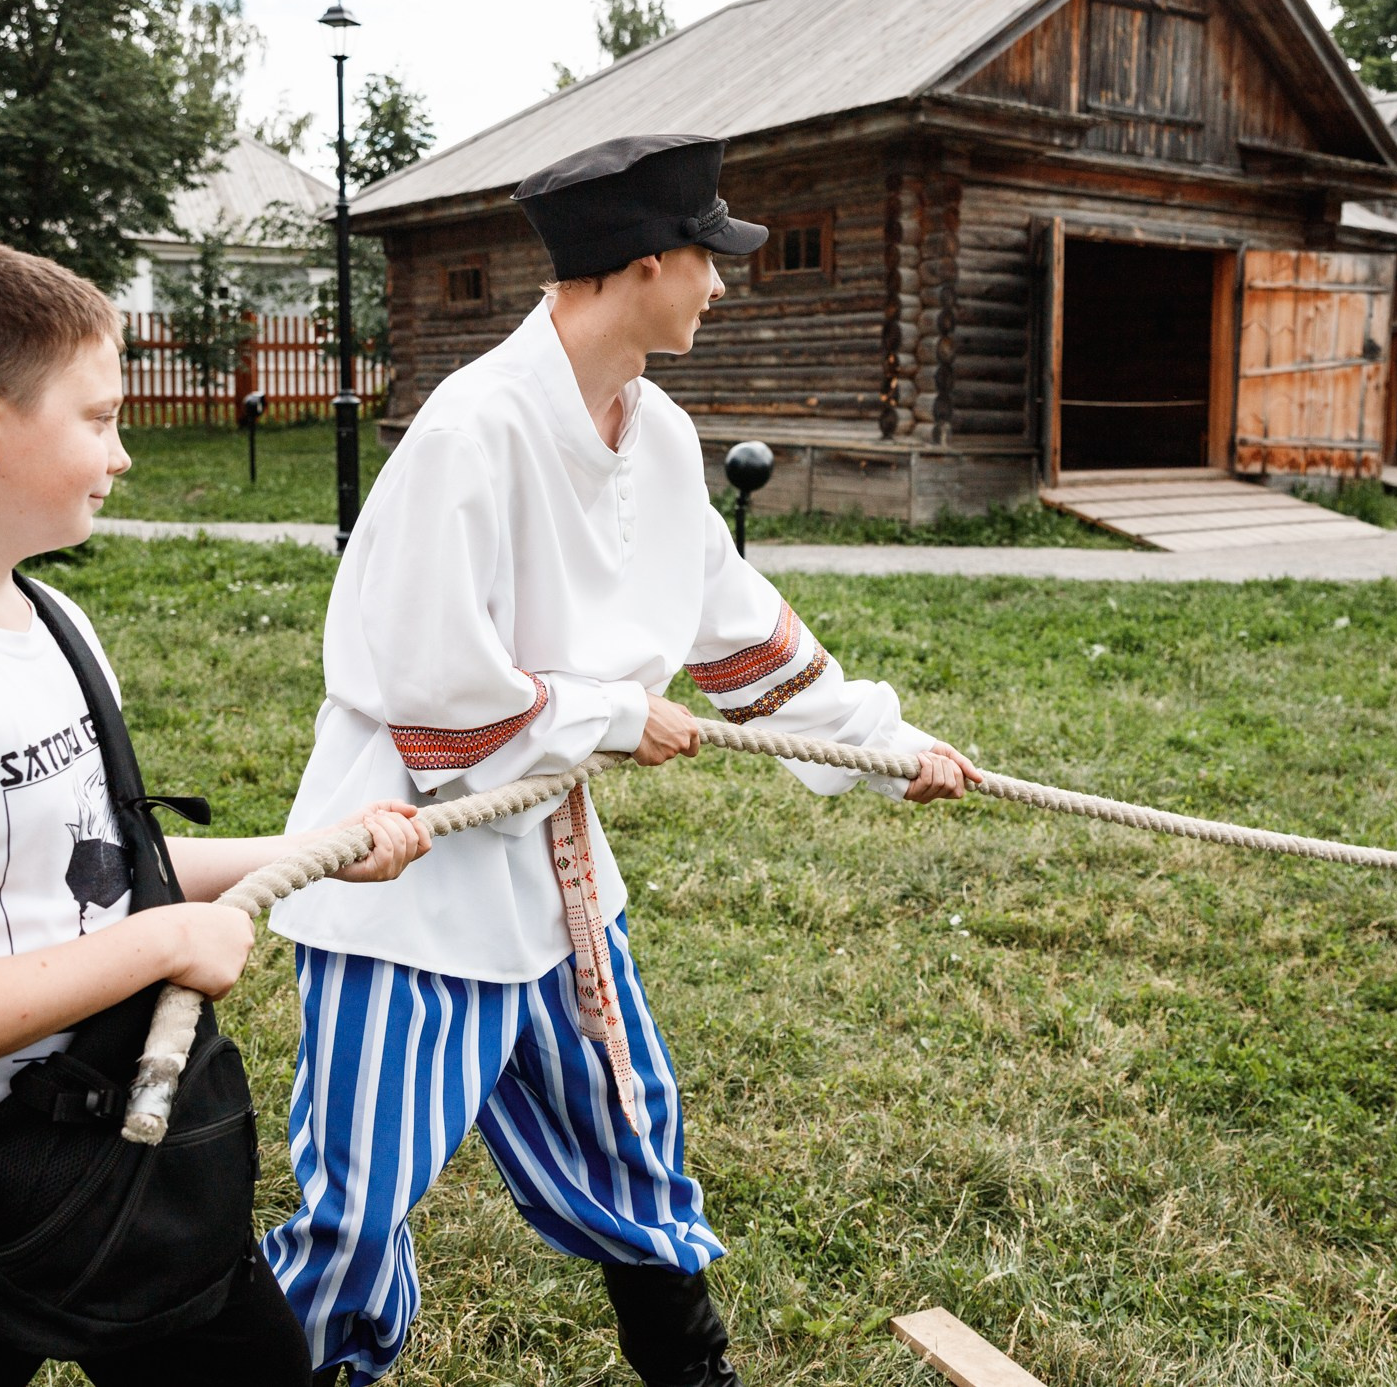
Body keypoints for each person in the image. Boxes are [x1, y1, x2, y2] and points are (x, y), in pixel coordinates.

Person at [262, 134, 982, 1387]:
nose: (721, 285)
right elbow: (425, 676)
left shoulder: (655, 433)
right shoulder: (472, 428)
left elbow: (739, 627)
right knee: (354, 1214)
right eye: (708, 259)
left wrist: (887, 745)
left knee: (632, 1143)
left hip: (557, 888)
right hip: (406, 888)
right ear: (639, 264)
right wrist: (604, 715)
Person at [0, 239, 430, 1385]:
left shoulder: (50, 620)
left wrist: (312, 850)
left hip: (107, 1154)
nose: (121, 454)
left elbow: (92, 857)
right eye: (99, 417)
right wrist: (165, 939)